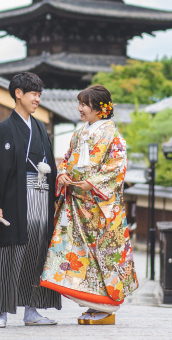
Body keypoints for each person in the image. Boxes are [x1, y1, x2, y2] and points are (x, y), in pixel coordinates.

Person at [40, 84, 138, 325]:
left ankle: (104, 306)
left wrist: (91, 183)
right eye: (80, 103)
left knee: (102, 256)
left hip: (99, 208)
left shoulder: (114, 136)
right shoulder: (79, 133)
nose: (80, 108)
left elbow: (116, 168)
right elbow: (66, 160)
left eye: (84, 104)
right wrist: (62, 174)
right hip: (76, 204)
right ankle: (92, 304)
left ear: (99, 109)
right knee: (79, 254)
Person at [0, 72, 61, 328]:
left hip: (41, 196)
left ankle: (32, 310)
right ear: (18, 94)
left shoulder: (40, 128)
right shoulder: (3, 129)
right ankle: (1, 312)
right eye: (33, 93)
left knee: (37, 252)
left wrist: (55, 196)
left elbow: (51, 165)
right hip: (15, 198)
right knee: (11, 252)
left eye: (39, 94)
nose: (37, 99)